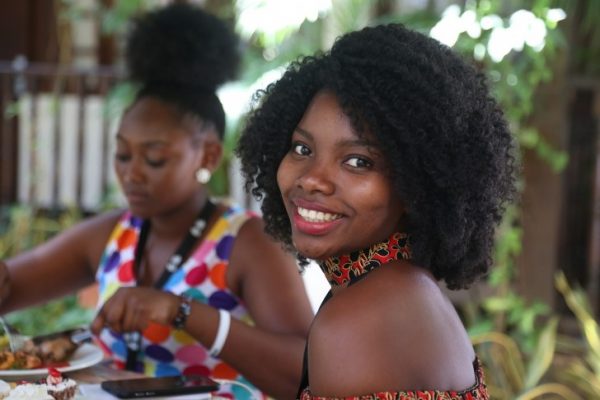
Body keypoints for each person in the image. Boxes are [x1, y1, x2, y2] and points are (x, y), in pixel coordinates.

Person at [0, 3, 313, 399]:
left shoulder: (249, 242)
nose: (132, 173)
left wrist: (181, 312)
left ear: (208, 156)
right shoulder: (115, 233)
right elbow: (10, 286)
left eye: (154, 158)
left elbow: (305, 372)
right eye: (123, 155)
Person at [236, 23, 516, 399]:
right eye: (302, 149)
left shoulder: (361, 318)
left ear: (415, 185)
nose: (313, 180)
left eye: (357, 161)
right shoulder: (401, 286)